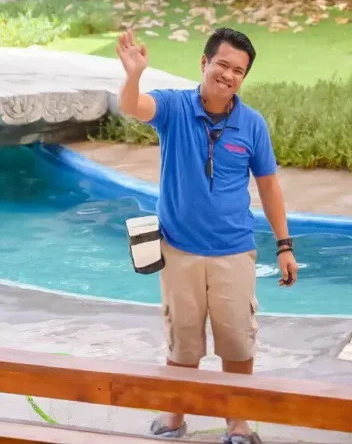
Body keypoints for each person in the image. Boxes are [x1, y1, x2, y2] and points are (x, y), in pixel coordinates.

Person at [116, 26, 298, 444]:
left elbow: (269, 186)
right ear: (203, 63)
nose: (229, 75)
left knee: (237, 342)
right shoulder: (174, 107)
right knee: (182, 342)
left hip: (234, 251)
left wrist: (284, 245)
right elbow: (133, 105)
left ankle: (237, 422)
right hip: (178, 250)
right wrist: (133, 75)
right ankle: (176, 413)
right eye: (222, 64)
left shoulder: (252, 124)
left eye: (239, 70)